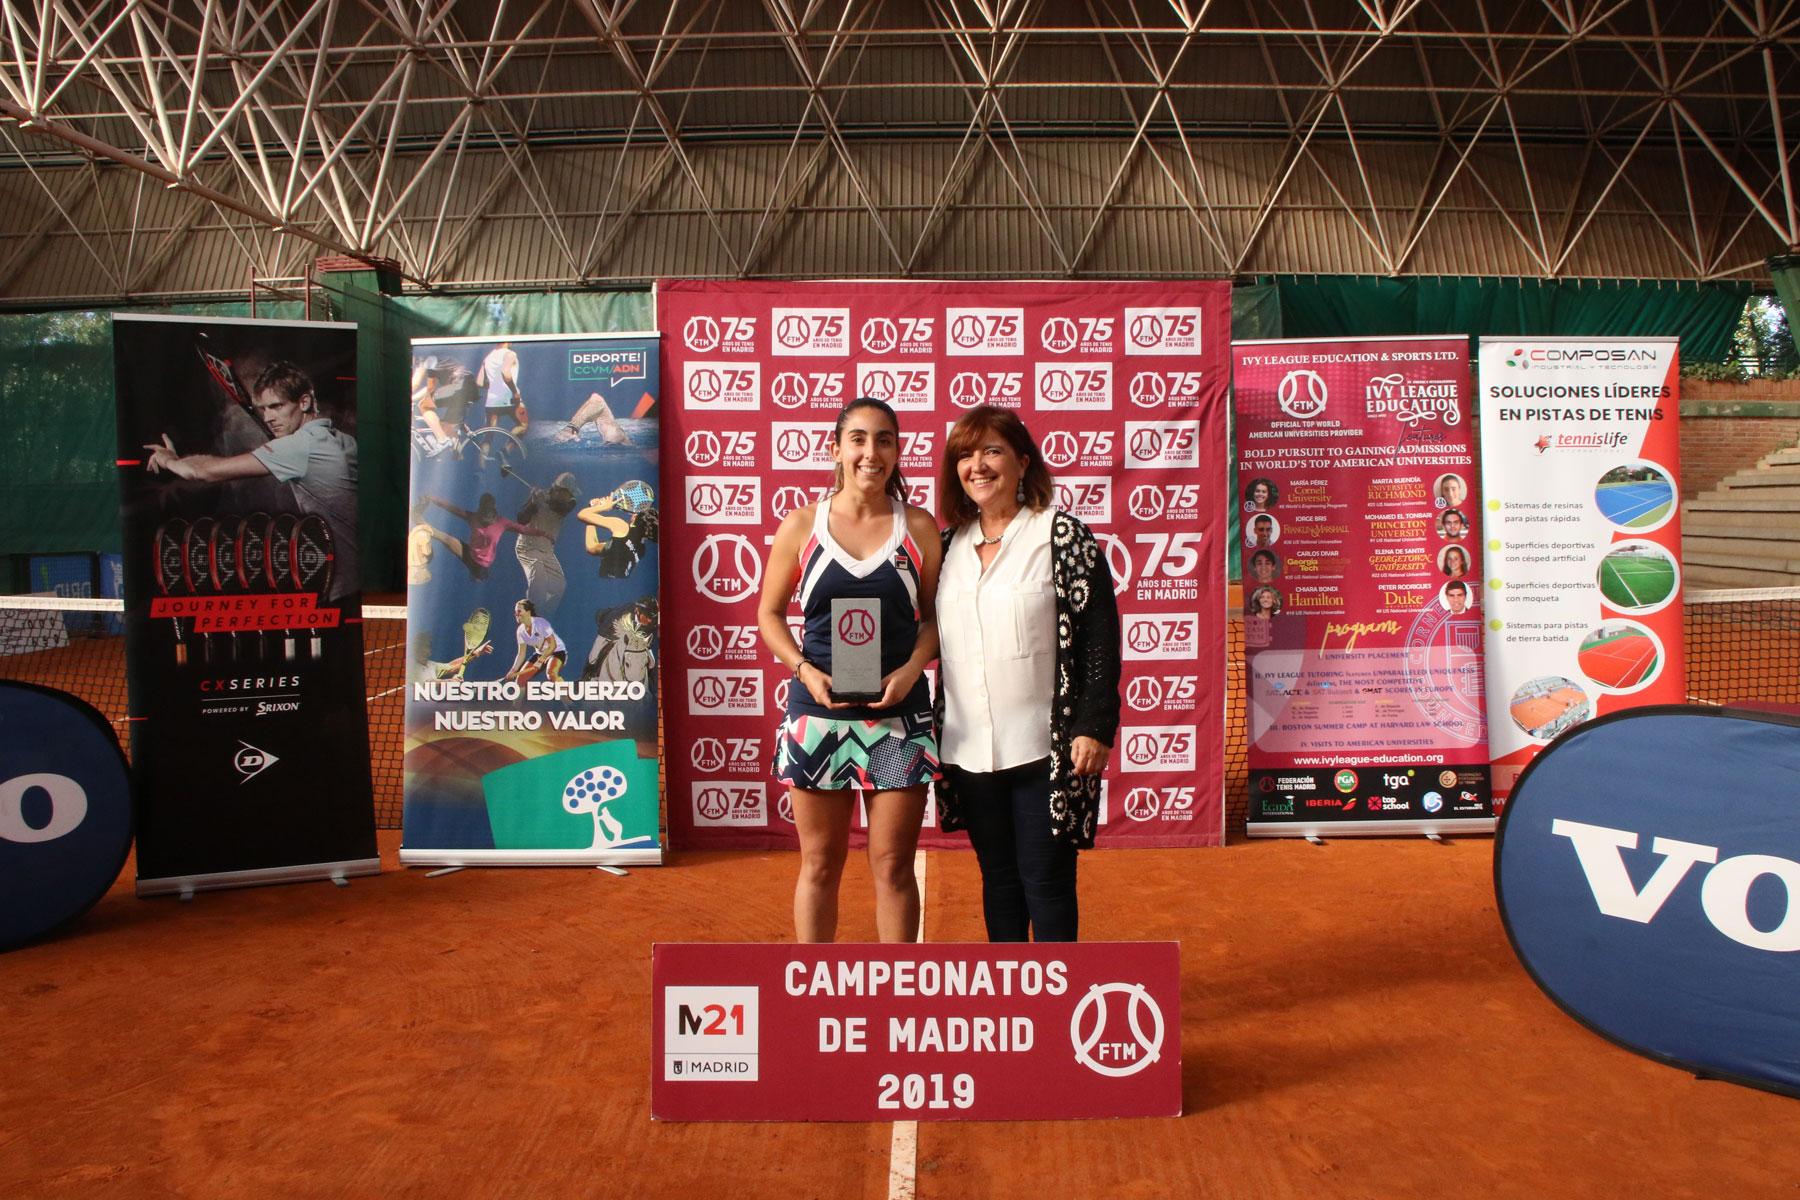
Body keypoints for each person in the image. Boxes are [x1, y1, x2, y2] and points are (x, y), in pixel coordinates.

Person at [757, 397, 942, 945]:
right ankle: (817, 998)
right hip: (819, 715)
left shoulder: (920, 527)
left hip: (899, 718)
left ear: (897, 451)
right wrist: (804, 670)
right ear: (835, 448)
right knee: (819, 863)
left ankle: (898, 998)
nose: (871, 452)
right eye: (858, 439)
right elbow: (768, 614)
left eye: (884, 440)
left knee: (892, 866)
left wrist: (912, 669)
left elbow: (932, 618)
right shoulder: (801, 526)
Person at [933, 406, 1120, 943]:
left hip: (1047, 747)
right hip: (968, 750)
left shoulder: (1063, 537)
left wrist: (1094, 724)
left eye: (991, 451)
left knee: (1048, 881)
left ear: (1022, 461)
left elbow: (1099, 638)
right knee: (998, 879)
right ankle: (1013, 1001)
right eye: (965, 455)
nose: (978, 466)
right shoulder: (947, 548)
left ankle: (1057, 1011)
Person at [145, 360, 360, 600]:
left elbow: (205, 472)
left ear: (305, 402)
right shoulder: (344, 441)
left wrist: (170, 461)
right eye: (263, 409)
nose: (268, 418)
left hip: (340, 587)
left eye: (277, 406)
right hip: (355, 582)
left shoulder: (298, 447)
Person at [418, 493, 534, 582]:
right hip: (473, 557)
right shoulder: (475, 517)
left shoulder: (500, 522)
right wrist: (433, 498)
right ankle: (422, 524)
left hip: (479, 565)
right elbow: (453, 509)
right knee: (446, 538)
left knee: (446, 539)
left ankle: (479, 574)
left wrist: (543, 533)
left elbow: (522, 529)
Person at [509, 469, 578, 613]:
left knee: (559, 586)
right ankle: (530, 619)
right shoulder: (538, 497)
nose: (571, 496)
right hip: (528, 548)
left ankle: (543, 619)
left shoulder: (569, 503)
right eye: (568, 492)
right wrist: (533, 503)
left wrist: (543, 501)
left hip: (546, 550)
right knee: (538, 580)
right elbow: (521, 519)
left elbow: (561, 508)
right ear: (559, 490)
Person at [503, 599, 565, 683]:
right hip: (540, 654)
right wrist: (513, 670)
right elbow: (521, 654)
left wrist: (540, 660)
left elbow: (552, 645)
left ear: (528, 612)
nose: (516, 614)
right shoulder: (520, 631)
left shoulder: (541, 623)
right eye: (515, 612)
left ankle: (567, 695)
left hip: (557, 651)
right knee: (520, 680)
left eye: (519, 611)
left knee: (551, 674)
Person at [477, 341, 528, 434]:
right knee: (523, 426)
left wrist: (494, 386)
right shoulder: (510, 354)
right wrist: (515, 392)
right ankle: (505, 449)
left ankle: (484, 448)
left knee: (488, 437)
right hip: (510, 398)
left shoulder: (488, 358)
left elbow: (479, 382)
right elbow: (506, 373)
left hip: (492, 402)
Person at [554, 392, 635, 445]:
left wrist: (573, 427)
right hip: (614, 438)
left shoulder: (614, 433)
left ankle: (572, 428)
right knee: (596, 398)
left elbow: (598, 402)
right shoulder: (606, 423)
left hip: (615, 438)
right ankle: (572, 428)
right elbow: (596, 399)